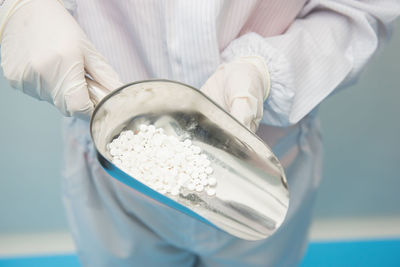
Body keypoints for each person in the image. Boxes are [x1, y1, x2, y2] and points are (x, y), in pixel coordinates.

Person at [0, 0, 399, 266]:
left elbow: (362, 10)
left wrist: (266, 69)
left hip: (262, 165)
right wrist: (20, 9)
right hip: (113, 181)